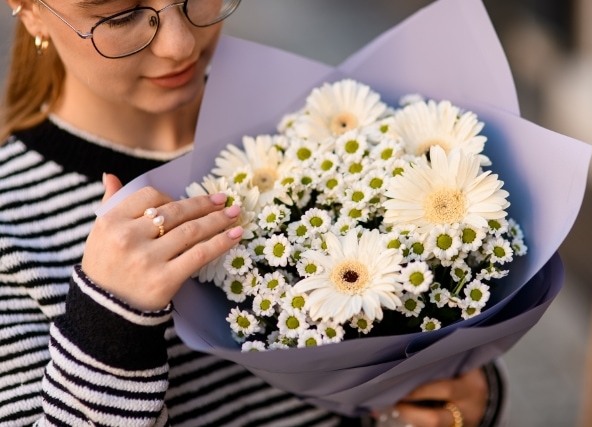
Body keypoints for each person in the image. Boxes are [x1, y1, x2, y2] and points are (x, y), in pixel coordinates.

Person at [0, 0, 506, 426]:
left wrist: (457, 394)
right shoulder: (11, 227)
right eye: (122, 14)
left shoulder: (321, 120)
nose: (180, 44)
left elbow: (413, 344)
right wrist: (109, 323)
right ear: (29, 11)